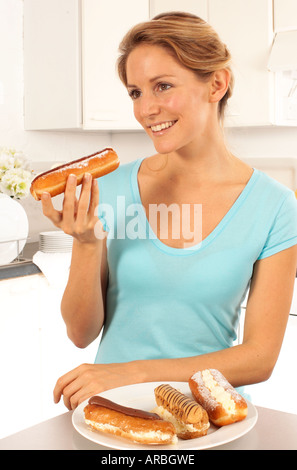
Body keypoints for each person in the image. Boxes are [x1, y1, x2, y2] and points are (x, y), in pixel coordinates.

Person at [41, 12, 297, 411]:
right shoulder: (109, 188)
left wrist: (135, 371)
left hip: (207, 420)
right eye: (135, 93)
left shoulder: (276, 206)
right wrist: (88, 244)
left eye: (162, 86)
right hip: (113, 412)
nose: (147, 109)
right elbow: (80, 332)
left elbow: (260, 358)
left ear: (216, 83)